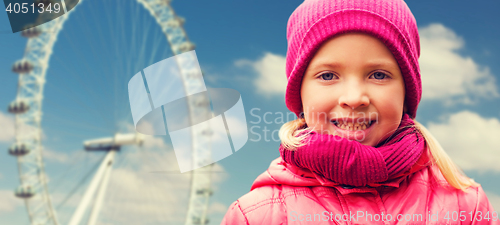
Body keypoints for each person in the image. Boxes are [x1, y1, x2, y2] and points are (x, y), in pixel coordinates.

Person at [221, 0, 498, 224]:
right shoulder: (256, 216)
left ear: (407, 92)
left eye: (378, 75)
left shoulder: (467, 208)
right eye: (328, 76)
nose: (354, 98)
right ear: (299, 94)